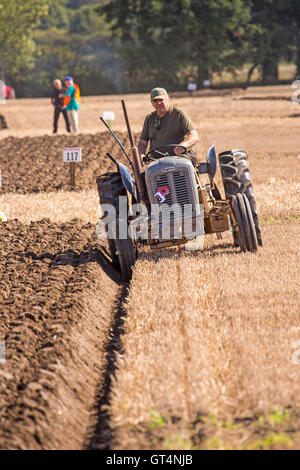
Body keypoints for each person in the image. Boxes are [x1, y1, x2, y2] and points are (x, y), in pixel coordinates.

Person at [138, 87, 199, 165]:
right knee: (146, 175)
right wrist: (141, 155)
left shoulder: (179, 114)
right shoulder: (149, 118)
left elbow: (194, 136)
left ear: (168, 99)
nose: (158, 103)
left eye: (161, 100)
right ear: (152, 103)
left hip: (180, 158)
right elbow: (142, 142)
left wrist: (182, 146)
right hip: (157, 161)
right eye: (155, 100)